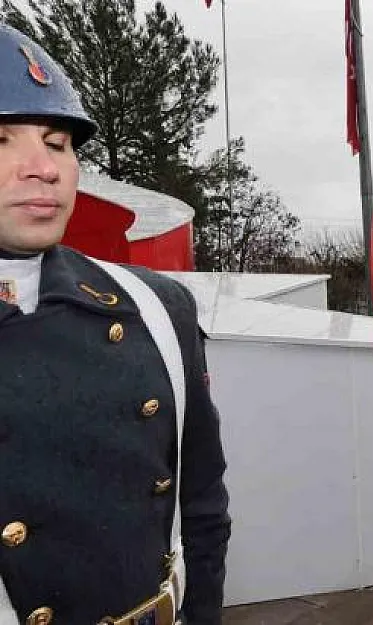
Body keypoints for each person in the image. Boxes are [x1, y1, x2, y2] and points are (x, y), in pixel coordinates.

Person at [0, 23, 230, 623]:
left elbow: (203, 507)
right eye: (1, 140)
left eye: (56, 143)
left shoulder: (156, 306)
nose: (42, 168)